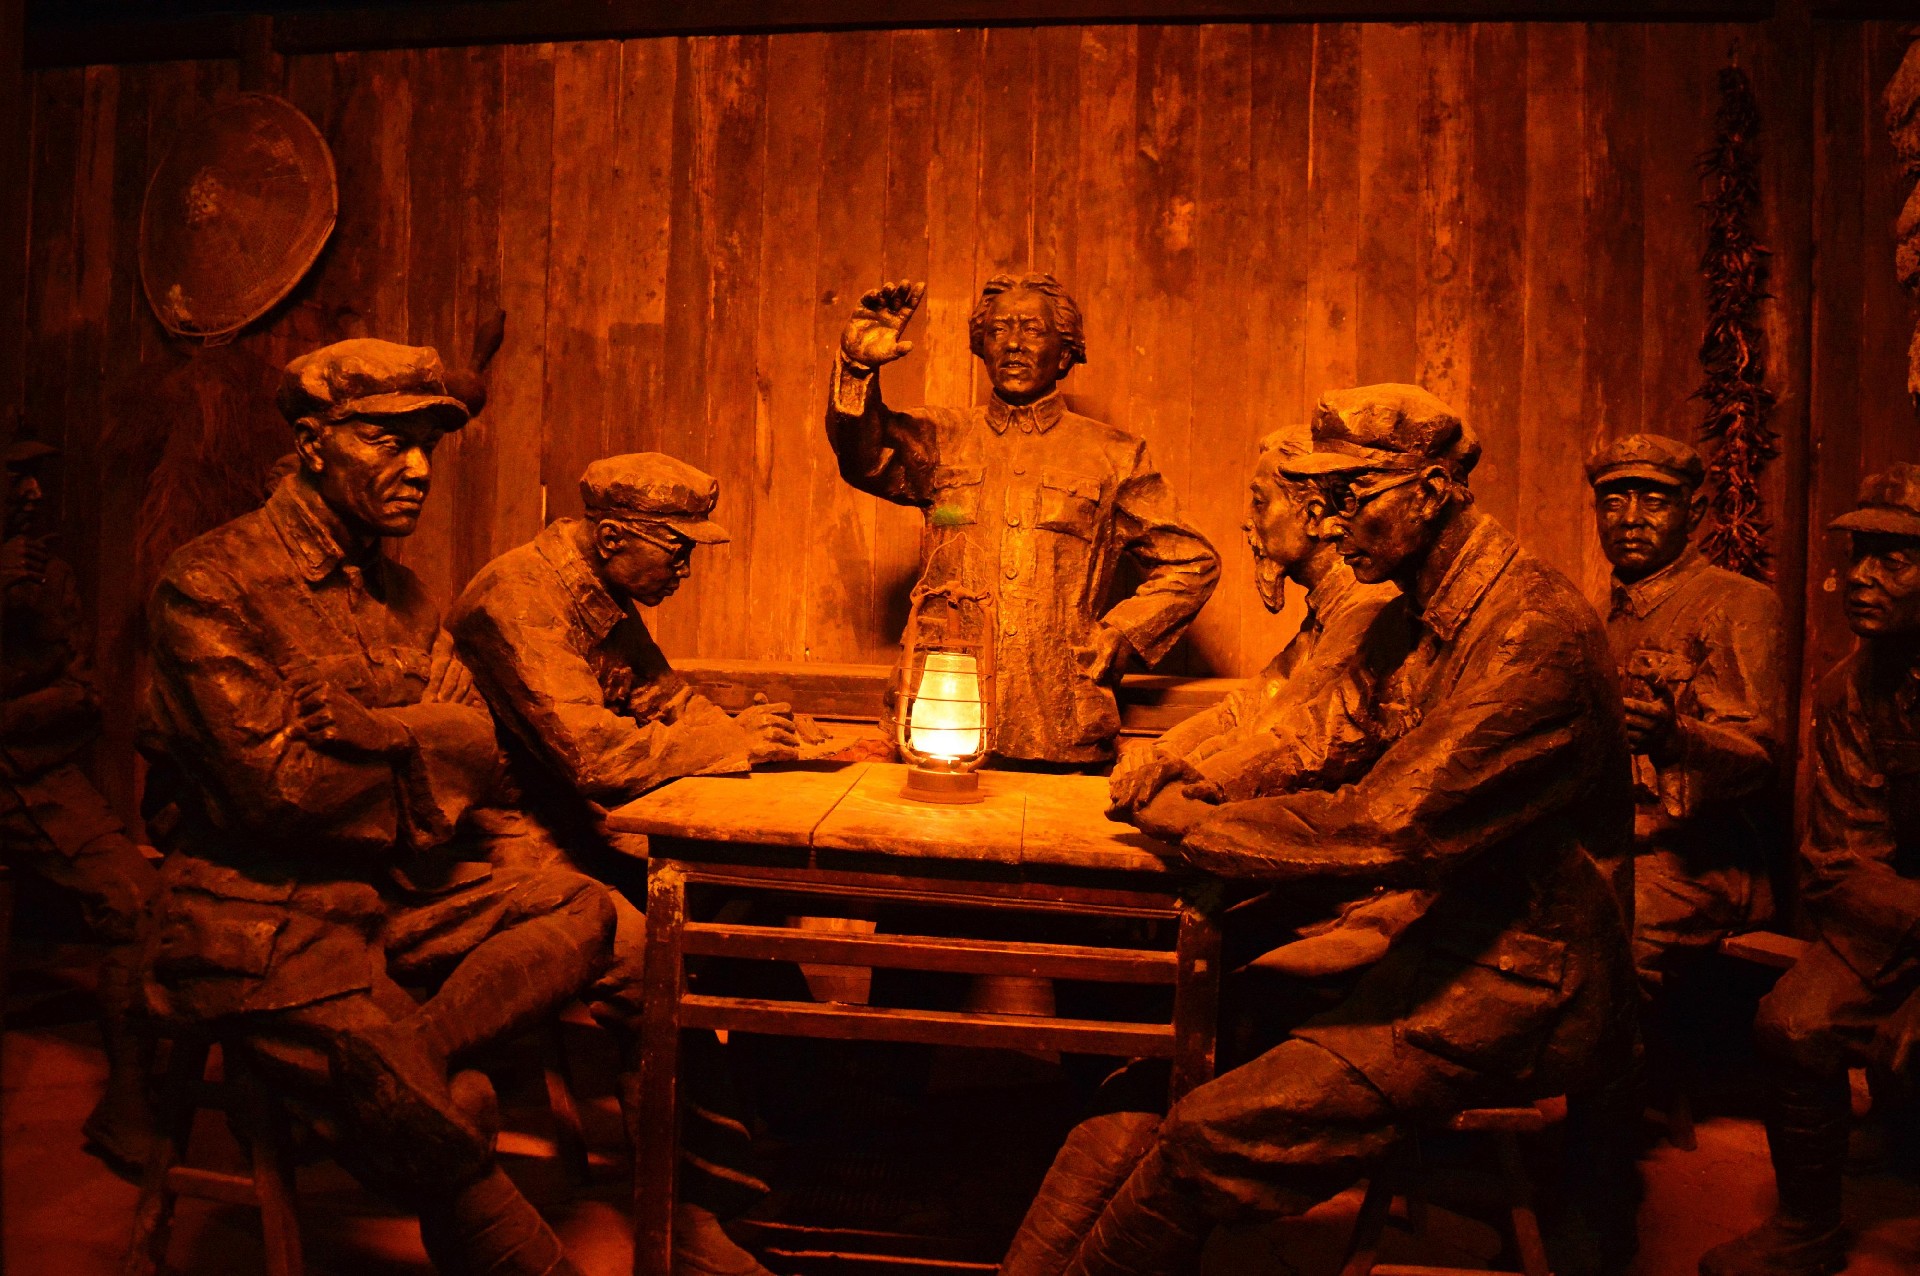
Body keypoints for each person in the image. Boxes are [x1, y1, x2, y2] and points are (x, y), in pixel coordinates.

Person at [1001, 384, 1637, 1276]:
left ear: (1433, 490)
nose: (1332, 524)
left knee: (1209, 1130)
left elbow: (1388, 824)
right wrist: (1192, 775)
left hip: (1528, 979)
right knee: (1158, 1075)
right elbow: (1322, 728)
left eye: (1353, 495)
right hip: (1438, 938)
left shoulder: (1533, 634)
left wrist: (1196, 829)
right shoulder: (1418, 614)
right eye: (1322, 498)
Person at [139, 338, 615, 1276]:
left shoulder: (403, 596)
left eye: (429, 443)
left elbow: (482, 752)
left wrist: (389, 734)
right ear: (313, 443)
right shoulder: (210, 584)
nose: (419, 467)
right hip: (263, 917)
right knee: (457, 1110)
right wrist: (431, 748)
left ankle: (407, 1054)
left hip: (392, 894)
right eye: (388, 439)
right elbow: (278, 794)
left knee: (582, 910)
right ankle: (428, 1113)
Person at [449, 451, 807, 1276]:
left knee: (744, 911)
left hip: (575, 826)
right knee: (652, 958)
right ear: (613, 536)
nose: (686, 568)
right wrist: (727, 743)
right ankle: (685, 1211)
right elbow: (593, 754)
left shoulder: (600, 590)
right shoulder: (516, 597)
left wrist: (761, 735)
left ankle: (794, 1149)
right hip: (497, 839)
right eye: (676, 548)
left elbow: (663, 699)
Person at [827, 275, 1219, 766]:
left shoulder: (1114, 455)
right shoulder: (942, 437)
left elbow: (1192, 562)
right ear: (981, 347)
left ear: (1066, 352)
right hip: (943, 715)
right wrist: (857, 368)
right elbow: (862, 456)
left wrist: (1121, 636)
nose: (1013, 344)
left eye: (1032, 329)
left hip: (1062, 724)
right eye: (998, 330)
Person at [1699, 465, 1920, 1276]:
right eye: (1860, 553)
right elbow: (1841, 861)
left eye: (1896, 559)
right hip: (1896, 919)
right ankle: (1807, 1227)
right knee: (1794, 1024)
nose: (1861, 576)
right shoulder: (1848, 693)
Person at [0, 438, 161, 1170]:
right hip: (25, 765)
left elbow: (85, 697)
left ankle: (128, 1102)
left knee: (135, 899)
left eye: (36, 476)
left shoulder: (50, 577)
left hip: (36, 780)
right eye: (15, 477)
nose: (34, 493)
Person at [1107, 425, 1395, 815]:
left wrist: (1174, 769)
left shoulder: (1367, 610)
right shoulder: (1327, 611)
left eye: (1259, 502)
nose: (1247, 521)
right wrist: (1160, 752)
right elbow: (1244, 707)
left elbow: (1272, 730)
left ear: (1313, 515)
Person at [1588, 433, 1782, 994]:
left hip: (1698, 864)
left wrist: (1676, 740)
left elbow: (1759, 757)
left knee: (1599, 937)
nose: (1630, 519)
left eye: (1653, 501)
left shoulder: (1737, 603)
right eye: (1613, 502)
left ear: (1693, 513)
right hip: (1610, 850)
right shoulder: (1594, 618)